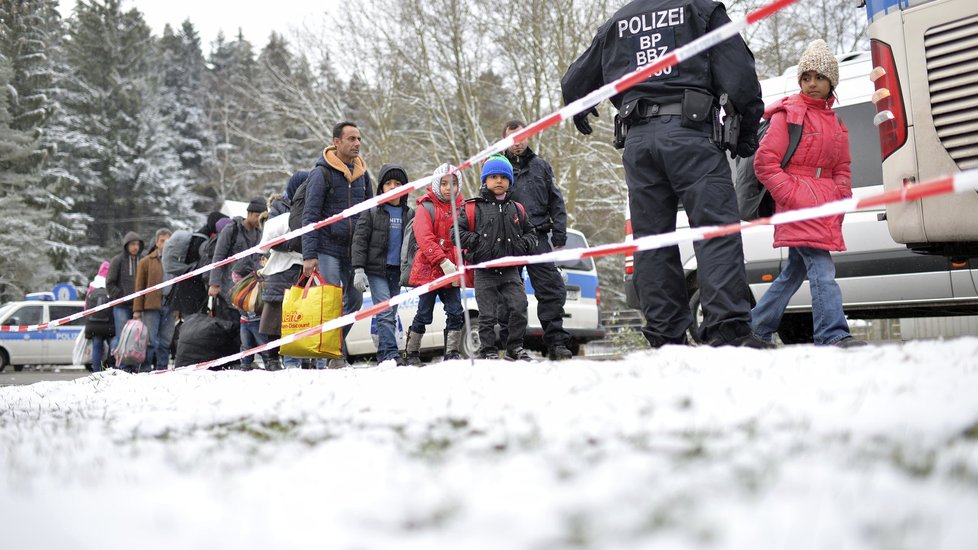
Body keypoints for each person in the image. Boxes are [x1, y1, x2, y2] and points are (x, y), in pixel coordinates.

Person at [560, 0, 772, 348]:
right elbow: (740, 75)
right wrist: (748, 128)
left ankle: (666, 335)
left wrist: (579, 105)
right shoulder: (700, 9)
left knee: (652, 240)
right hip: (691, 135)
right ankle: (728, 331)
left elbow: (574, 82)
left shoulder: (619, 21)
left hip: (639, 143)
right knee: (716, 231)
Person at [750, 40, 866, 348]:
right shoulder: (788, 115)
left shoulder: (836, 122)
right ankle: (832, 333)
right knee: (822, 268)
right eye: (806, 77)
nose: (812, 84)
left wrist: (839, 195)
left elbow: (842, 167)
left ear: (832, 82)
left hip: (824, 207)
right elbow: (765, 163)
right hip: (798, 206)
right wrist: (792, 195)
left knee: (795, 271)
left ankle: (756, 327)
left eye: (819, 77)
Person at [301, 122, 373, 369]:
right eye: (351, 139)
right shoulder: (320, 174)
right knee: (331, 301)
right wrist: (309, 255)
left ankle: (330, 347)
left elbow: (371, 212)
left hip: (354, 251)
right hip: (327, 247)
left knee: (354, 300)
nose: (357, 144)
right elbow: (309, 216)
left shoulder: (364, 175)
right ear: (336, 142)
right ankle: (332, 356)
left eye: (359, 139)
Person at [502, 120, 574, 360]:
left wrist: (560, 233)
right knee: (509, 294)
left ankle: (556, 343)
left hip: (539, 238)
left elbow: (556, 201)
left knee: (551, 291)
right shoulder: (498, 168)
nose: (517, 142)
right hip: (509, 241)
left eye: (521, 137)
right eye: (512, 139)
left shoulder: (541, 166)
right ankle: (511, 346)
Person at [453, 156, 538, 361]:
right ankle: (488, 350)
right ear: (485, 181)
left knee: (519, 307)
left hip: (510, 271)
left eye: (503, 177)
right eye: (493, 177)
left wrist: (523, 245)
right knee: (487, 315)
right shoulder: (474, 207)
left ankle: (514, 347)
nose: (498, 181)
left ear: (509, 181)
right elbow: (455, 232)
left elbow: (531, 234)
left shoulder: (517, 208)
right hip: (484, 271)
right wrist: (478, 243)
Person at [352, 164, 414, 365]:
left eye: (398, 183)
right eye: (388, 183)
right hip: (376, 270)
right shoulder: (371, 212)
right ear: (381, 188)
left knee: (391, 313)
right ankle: (392, 354)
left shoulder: (410, 214)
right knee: (385, 312)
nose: (393, 187)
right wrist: (359, 269)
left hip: (398, 271)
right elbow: (359, 241)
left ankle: (383, 354)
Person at [404, 163, 465, 365]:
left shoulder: (463, 208)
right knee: (424, 312)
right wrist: (442, 260)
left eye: (453, 183)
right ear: (437, 184)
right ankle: (411, 353)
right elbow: (424, 238)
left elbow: (464, 238)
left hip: (452, 270)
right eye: (444, 183)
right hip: (429, 269)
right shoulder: (425, 207)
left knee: (456, 310)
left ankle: (452, 352)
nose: (449, 188)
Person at [209, 198, 266, 368]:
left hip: (249, 289)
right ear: (248, 214)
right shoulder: (231, 229)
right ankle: (231, 360)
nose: (258, 220)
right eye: (256, 216)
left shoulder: (259, 232)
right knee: (231, 326)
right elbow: (218, 257)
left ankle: (245, 360)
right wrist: (214, 283)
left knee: (248, 325)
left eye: (261, 217)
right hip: (229, 287)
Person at [259, 176, 309, 370]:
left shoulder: (313, 204)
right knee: (275, 315)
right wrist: (293, 245)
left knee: (302, 314)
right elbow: (270, 239)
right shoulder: (280, 207)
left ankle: (304, 357)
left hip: (303, 266)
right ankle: (272, 358)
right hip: (281, 267)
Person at [134, 228, 175, 371]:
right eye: (162, 241)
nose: (165, 244)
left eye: (168, 241)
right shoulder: (146, 261)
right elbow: (139, 287)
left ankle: (162, 369)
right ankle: (145, 369)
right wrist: (137, 310)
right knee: (150, 340)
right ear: (157, 243)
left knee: (165, 341)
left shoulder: (176, 261)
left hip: (170, 306)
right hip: (151, 305)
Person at [105, 231, 144, 358]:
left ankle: (132, 365)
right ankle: (117, 365)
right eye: (132, 244)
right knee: (121, 337)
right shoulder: (117, 260)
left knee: (137, 338)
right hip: (121, 306)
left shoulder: (143, 261)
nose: (135, 247)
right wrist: (121, 295)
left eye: (137, 244)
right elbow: (110, 283)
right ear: (126, 245)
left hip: (139, 307)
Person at [84, 261, 113, 372]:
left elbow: (86, 304)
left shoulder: (93, 284)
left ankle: (96, 370)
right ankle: (111, 368)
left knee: (97, 346)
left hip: (94, 323)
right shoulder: (110, 284)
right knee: (112, 345)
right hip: (109, 322)